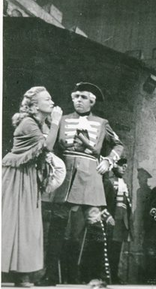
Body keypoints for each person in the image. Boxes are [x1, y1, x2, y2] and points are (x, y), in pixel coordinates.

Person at [41, 82, 124, 285]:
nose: (78, 100)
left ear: (92, 101)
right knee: (57, 226)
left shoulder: (102, 123)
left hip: (90, 177)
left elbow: (119, 144)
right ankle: (50, 274)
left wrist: (108, 160)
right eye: (76, 96)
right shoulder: (63, 120)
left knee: (95, 224)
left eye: (83, 97)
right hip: (66, 176)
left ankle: (97, 276)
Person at [2, 87, 63, 287]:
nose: (52, 102)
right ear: (35, 105)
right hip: (16, 176)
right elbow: (47, 147)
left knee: (26, 226)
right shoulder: (28, 123)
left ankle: (23, 274)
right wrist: (55, 121)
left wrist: (51, 124)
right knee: (15, 222)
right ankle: (20, 275)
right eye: (48, 99)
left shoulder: (38, 123)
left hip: (26, 177)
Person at [102, 158, 132, 284]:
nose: (124, 168)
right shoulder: (109, 182)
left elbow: (127, 205)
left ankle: (114, 276)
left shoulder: (124, 184)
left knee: (117, 250)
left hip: (121, 222)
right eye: (121, 166)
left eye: (125, 166)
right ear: (114, 167)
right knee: (107, 249)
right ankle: (105, 276)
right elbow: (102, 203)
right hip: (111, 220)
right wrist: (107, 217)